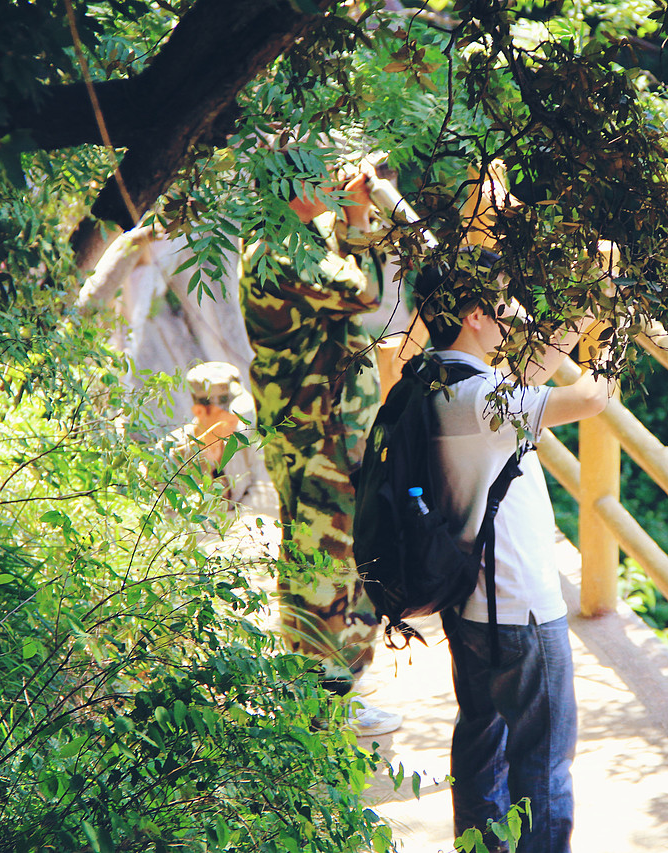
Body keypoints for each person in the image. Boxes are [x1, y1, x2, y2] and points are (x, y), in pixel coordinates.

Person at [415, 256, 613, 853]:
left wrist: (582, 313)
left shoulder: (434, 380)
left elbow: (530, 373)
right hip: (520, 607)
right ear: (476, 315)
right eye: (504, 305)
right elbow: (591, 398)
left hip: (466, 601)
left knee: (479, 742)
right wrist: (614, 334)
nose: (517, 316)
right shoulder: (484, 400)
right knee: (543, 765)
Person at [239, 153, 402, 737]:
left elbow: (341, 250)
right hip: (316, 436)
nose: (327, 186)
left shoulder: (293, 235)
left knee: (324, 558)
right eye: (315, 177)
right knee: (327, 566)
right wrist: (359, 216)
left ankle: (328, 690)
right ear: (288, 187)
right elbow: (364, 290)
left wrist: (354, 213)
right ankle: (329, 704)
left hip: (321, 430)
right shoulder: (281, 254)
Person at [163, 361, 277, 518]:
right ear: (200, 411)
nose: (236, 421)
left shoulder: (244, 440)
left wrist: (234, 520)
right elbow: (167, 517)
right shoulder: (171, 454)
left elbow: (265, 492)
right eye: (229, 417)